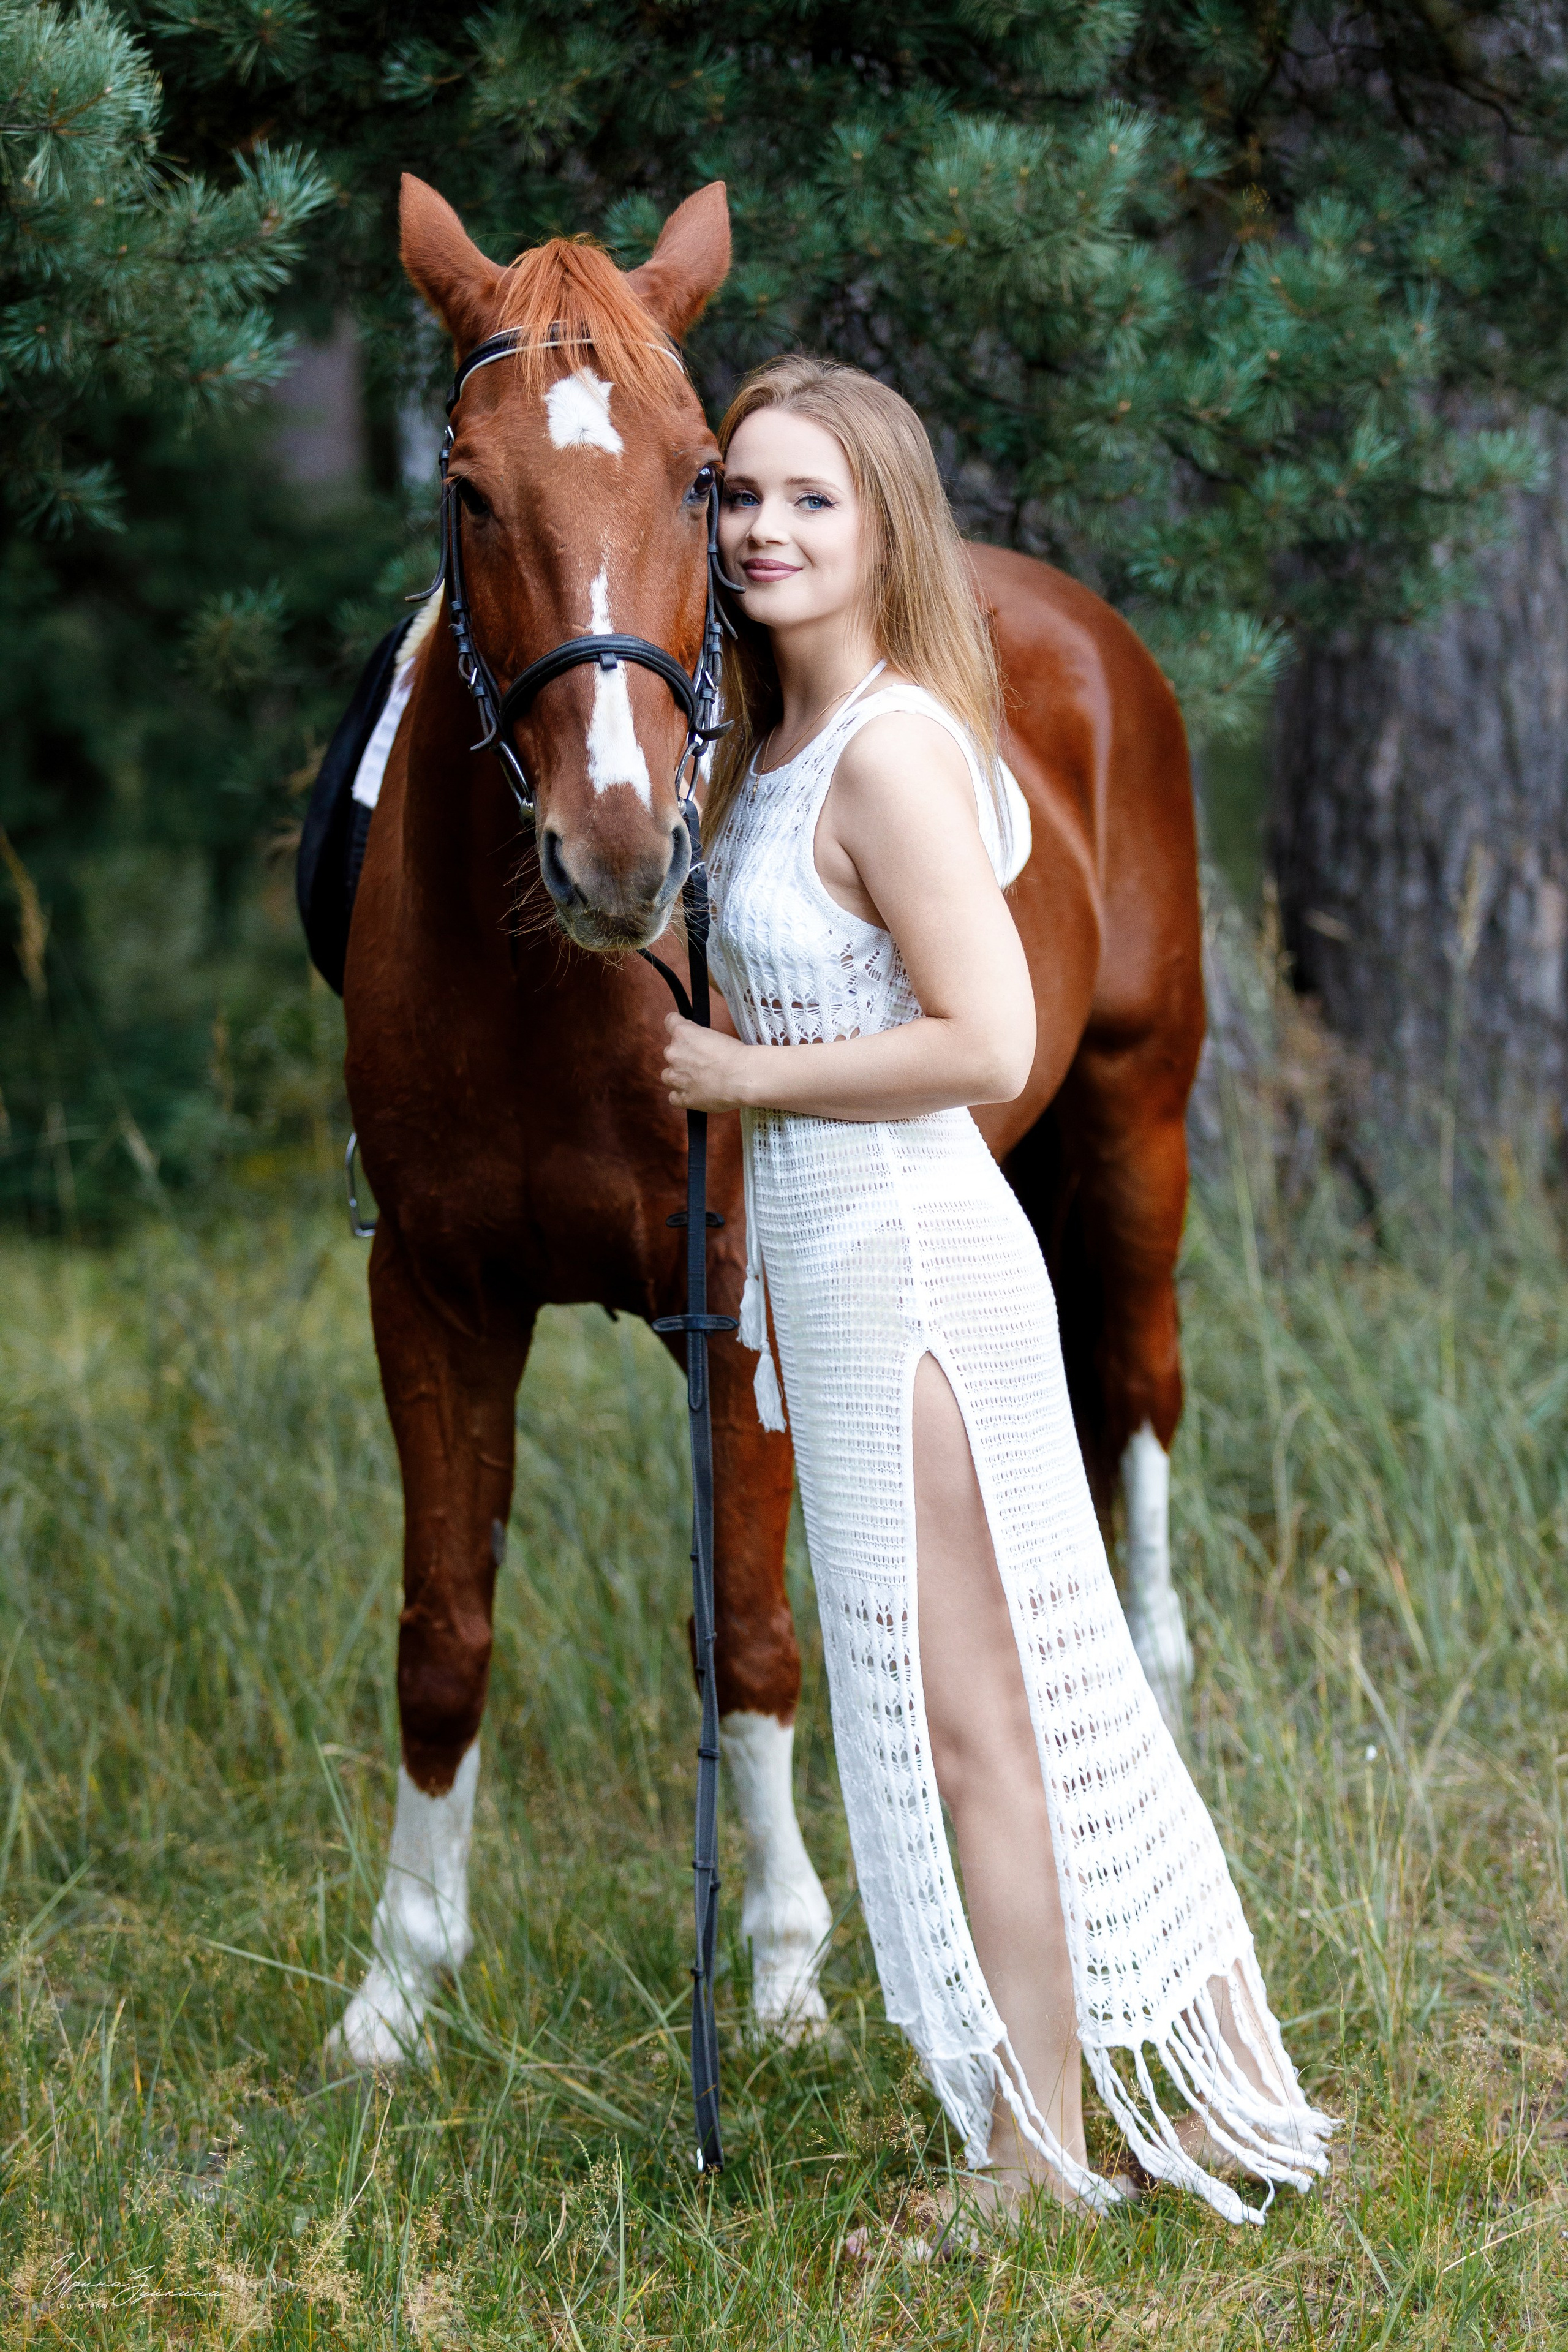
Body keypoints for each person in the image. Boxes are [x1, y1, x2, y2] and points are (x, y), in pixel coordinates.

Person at [660, 354, 1332, 2227]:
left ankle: (1043, 2157)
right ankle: (1166, 2090)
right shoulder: (764, 755)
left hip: (915, 1259)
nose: (768, 532)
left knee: (992, 1715)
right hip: (834, 1266)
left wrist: (745, 1081)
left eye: (813, 500)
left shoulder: (885, 744)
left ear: (884, 529)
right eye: (743, 498)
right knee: (1013, 1701)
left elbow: (988, 1035)